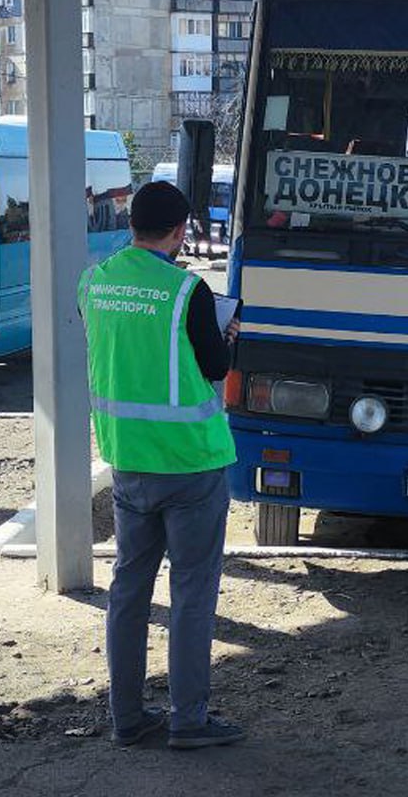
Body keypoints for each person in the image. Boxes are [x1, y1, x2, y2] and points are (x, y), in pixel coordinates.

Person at [78, 180, 245, 751]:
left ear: (132, 226)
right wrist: (229, 336)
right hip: (192, 465)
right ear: (178, 232)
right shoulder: (188, 292)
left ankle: (126, 717)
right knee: (192, 595)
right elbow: (216, 368)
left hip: (128, 460)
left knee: (129, 590)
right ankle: (188, 719)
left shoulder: (94, 283)